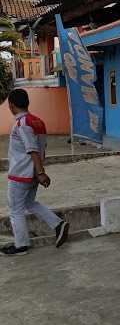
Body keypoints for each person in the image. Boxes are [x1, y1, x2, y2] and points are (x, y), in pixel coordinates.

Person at [2, 89, 69, 256]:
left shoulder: (22, 123)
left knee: (15, 209)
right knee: (29, 203)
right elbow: (41, 148)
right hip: (32, 173)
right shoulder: (38, 121)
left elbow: (32, 150)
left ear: (11, 105)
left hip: (21, 173)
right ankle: (58, 224)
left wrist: (41, 172)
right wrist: (38, 172)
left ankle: (21, 246)